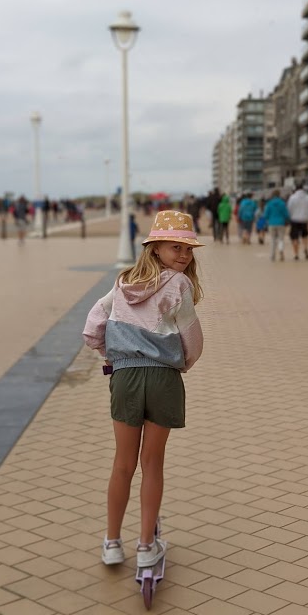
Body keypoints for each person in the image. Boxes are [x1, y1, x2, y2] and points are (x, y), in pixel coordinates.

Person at [82, 210, 204, 569]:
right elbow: (193, 340)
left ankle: (112, 543)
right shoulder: (179, 285)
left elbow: (92, 325)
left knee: (123, 463)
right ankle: (147, 545)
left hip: (125, 378)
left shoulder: (122, 284)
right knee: (152, 464)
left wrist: (112, 355)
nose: (184, 255)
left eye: (188, 249)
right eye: (176, 247)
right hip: (163, 380)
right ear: (155, 248)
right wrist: (181, 364)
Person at [287, 182, 308, 260]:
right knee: (305, 235)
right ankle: (305, 248)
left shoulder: (292, 198)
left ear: (295, 189)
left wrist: (288, 219)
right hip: (304, 220)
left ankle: (296, 254)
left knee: (294, 237)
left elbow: (289, 209)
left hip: (294, 220)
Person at [264, 191, 289, 261]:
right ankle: (280, 250)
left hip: (271, 223)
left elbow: (266, 215)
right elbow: (286, 214)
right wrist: (287, 219)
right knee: (281, 239)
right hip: (281, 223)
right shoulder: (282, 203)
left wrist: (268, 219)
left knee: (272, 239)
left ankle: (272, 255)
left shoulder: (269, 203)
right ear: (279, 195)